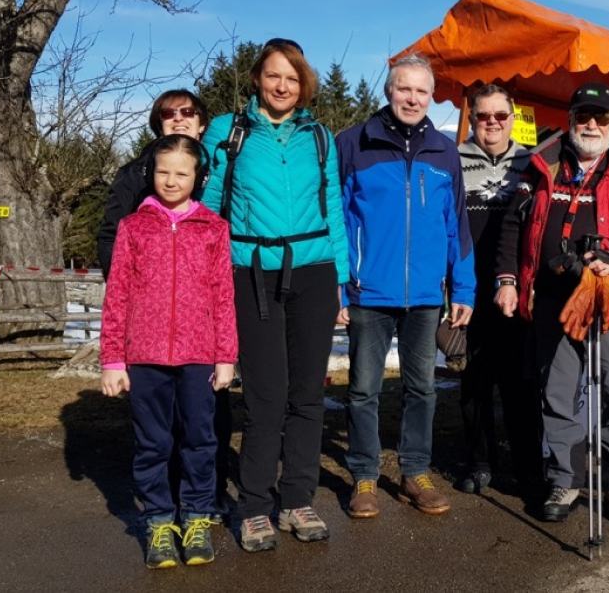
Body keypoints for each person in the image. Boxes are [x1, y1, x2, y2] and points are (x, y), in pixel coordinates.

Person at [200, 38, 350, 552]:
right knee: (265, 396)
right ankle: (256, 506)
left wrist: (343, 282)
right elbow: (209, 201)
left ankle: (298, 500)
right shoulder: (229, 131)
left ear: (303, 83)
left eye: (291, 77)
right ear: (258, 80)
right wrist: (208, 273)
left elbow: (331, 207)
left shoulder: (320, 137)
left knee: (308, 394)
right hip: (251, 272)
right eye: (273, 76)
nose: (282, 85)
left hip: (314, 271)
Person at [496, 82, 609, 527]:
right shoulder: (543, 165)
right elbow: (514, 228)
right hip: (555, 301)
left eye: (601, 117)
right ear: (571, 120)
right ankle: (565, 480)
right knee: (557, 394)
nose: (591, 125)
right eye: (583, 116)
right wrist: (509, 279)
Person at [335, 53, 475, 519]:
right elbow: (334, 220)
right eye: (404, 88)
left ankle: (415, 471)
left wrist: (464, 290)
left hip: (426, 298)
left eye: (421, 90)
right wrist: (338, 287)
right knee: (363, 390)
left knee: (423, 389)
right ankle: (365, 476)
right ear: (388, 91)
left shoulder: (444, 151)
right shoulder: (354, 143)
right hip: (368, 293)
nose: (413, 98)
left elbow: (456, 224)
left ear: (431, 96)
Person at [100, 134, 237, 568]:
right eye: (163, 171)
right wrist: (112, 359)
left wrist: (226, 356)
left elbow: (223, 298)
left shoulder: (213, 229)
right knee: (152, 443)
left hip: (199, 356)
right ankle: (159, 521)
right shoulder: (133, 227)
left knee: (200, 440)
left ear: (197, 176)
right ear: (150, 173)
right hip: (145, 356)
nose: (171, 180)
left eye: (182, 172)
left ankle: (196, 517)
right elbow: (117, 294)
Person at [455, 83, 540, 496]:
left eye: (500, 116)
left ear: (512, 119)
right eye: (483, 116)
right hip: (468, 290)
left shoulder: (532, 164)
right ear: (472, 119)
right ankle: (478, 460)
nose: (492, 123)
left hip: (516, 291)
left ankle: (526, 463)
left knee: (520, 381)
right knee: (474, 380)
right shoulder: (453, 162)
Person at [98, 89, 209, 276]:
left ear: (202, 124)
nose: (178, 119)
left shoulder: (221, 169)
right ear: (160, 125)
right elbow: (111, 237)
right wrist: (125, 287)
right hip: (148, 287)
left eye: (187, 112)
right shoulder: (134, 173)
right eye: (168, 114)